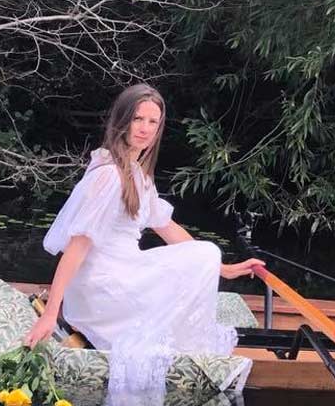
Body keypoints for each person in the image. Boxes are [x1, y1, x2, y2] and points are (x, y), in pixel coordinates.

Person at [24, 84, 263, 374]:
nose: (145, 129)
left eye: (153, 122)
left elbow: (167, 227)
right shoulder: (110, 175)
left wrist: (222, 268)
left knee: (204, 253)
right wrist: (50, 314)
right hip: (101, 287)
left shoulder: (137, 176)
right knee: (201, 257)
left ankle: (176, 348)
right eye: (138, 119)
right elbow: (77, 248)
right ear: (122, 121)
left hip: (122, 272)